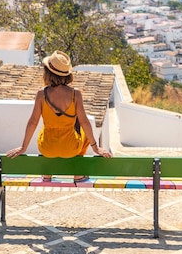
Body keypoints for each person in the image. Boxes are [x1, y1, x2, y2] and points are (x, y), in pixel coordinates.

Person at [6, 50, 112, 182]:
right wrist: (96, 148)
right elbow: (85, 122)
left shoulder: (41, 94)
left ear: (48, 73)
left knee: (44, 130)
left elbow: (33, 122)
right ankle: (78, 174)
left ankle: (47, 174)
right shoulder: (76, 94)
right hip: (70, 149)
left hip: (47, 148)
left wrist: (23, 148)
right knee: (82, 130)